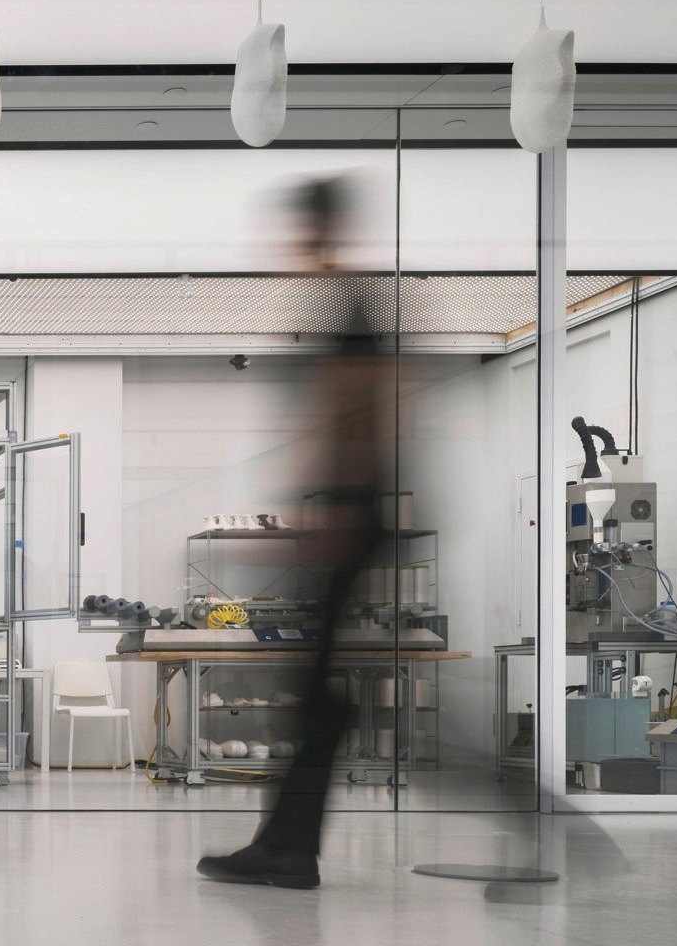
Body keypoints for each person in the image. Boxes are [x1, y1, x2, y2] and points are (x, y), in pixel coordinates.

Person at [197, 177, 386, 889]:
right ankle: (286, 846)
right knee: (317, 696)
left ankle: (286, 850)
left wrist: (334, 509)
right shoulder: (344, 303)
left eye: (297, 233)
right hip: (349, 510)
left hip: (351, 513)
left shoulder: (352, 305)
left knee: (318, 695)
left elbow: (357, 410)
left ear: (319, 231)